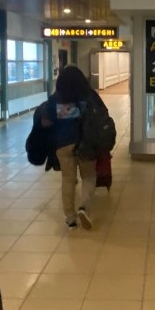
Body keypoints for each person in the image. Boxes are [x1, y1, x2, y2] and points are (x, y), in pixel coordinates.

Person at [38, 65, 107, 230]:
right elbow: (103, 114)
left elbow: (45, 121)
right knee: (88, 176)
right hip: (87, 144)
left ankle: (70, 218)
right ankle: (84, 208)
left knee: (68, 179)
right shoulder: (90, 95)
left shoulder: (55, 98)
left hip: (63, 144)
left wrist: (62, 118)